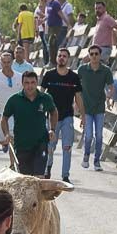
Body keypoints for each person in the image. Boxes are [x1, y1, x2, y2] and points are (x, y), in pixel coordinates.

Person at [40, 47, 83, 182]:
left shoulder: (74, 77)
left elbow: (78, 97)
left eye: (64, 56)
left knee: (67, 147)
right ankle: (48, 168)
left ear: (68, 59)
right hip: (52, 117)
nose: (62, 58)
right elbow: (40, 94)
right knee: (50, 146)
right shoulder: (49, 75)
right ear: (56, 58)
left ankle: (65, 175)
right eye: (60, 56)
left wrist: (83, 115)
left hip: (67, 117)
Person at [2, 71, 57, 176]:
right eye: (26, 83)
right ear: (22, 83)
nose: (30, 86)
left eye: (32, 82)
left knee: (38, 177)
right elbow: (4, 118)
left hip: (41, 143)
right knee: (26, 179)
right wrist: (7, 134)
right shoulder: (14, 100)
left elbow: (53, 112)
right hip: (22, 145)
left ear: (37, 83)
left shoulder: (45, 98)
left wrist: (52, 129)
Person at [77, 44, 114, 171]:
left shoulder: (106, 70)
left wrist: (109, 97)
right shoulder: (82, 69)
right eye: (91, 54)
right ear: (88, 55)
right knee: (88, 136)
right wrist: (76, 104)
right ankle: (86, 156)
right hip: (86, 107)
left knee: (99, 136)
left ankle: (97, 161)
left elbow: (111, 86)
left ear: (100, 55)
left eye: (96, 54)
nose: (93, 56)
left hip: (99, 107)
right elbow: (76, 87)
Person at [0, 50, 23, 155]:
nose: (6, 65)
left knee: (11, 137)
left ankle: (13, 163)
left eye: (8, 62)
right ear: (1, 63)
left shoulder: (20, 77)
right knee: (2, 138)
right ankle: (5, 144)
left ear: (12, 62)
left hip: (14, 112)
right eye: (4, 62)